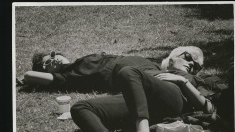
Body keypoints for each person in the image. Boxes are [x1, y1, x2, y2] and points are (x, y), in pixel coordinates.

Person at [70, 46, 216, 132]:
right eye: (189, 57)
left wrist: (183, 81)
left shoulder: (194, 80)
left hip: (172, 97)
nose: (192, 64)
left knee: (128, 72)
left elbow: (209, 108)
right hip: (137, 98)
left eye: (197, 67)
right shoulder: (150, 68)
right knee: (80, 107)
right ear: (172, 58)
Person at [21, 46, 203, 92]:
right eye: (46, 65)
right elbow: (29, 75)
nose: (52, 61)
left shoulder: (77, 62)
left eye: (52, 56)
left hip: (142, 67)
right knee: (168, 80)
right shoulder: (72, 75)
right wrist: (26, 79)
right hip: (133, 73)